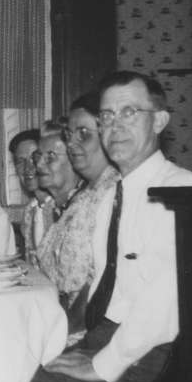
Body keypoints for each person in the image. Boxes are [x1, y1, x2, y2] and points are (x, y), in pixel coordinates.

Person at [11, 71, 192, 382]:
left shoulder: (179, 190)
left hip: (146, 355)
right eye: (107, 116)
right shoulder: (113, 195)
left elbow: (164, 306)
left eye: (129, 112)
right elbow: (103, 287)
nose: (115, 126)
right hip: (106, 337)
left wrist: (102, 362)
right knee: (7, 370)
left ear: (159, 121)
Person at [36, 91, 120, 335]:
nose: (72, 144)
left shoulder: (115, 191)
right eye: (69, 135)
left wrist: (64, 336)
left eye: (83, 134)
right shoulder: (83, 196)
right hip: (62, 321)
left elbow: (100, 282)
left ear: (108, 134)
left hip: (87, 331)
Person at [27, 118, 84, 264]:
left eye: (50, 157)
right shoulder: (49, 209)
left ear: (74, 160)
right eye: (38, 156)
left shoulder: (83, 209)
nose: (38, 164)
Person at [9, 128, 48, 260]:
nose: (27, 168)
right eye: (21, 161)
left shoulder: (62, 209)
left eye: (34, 158)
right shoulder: (29, 212)